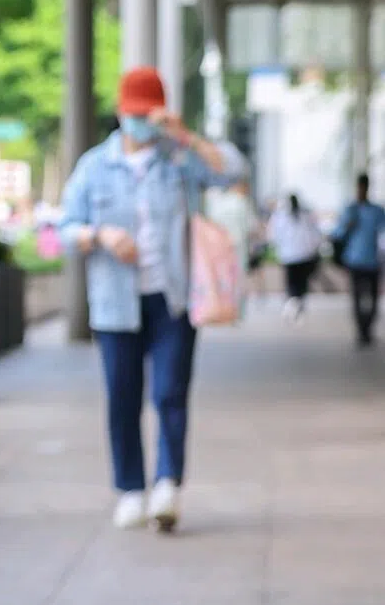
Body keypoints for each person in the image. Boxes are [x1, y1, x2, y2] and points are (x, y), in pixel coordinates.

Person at [59, 67, 246, 533]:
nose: (141, 121)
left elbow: (234, 172)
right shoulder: (94, 166)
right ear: (121, 112)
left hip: (173, 299)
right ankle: (130, 489)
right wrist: (100, 235)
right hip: (114, 305)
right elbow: (61, 231)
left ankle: (168, 485)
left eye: (150, 114)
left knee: (170, 394)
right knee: (123, 398)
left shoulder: (179, 160)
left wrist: (184, 135)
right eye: (135, 113)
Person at [331, 172, 385, 346]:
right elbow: (337, 234)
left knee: (373, 299)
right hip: (354, 261)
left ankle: (368, 329)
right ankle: (361, 331)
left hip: (373, 261)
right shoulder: (350, 210)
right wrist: (347, 226)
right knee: (357, 298)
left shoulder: (377, 211)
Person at [205, 179, 260, 319]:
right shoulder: (242, 202)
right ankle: (236, 312)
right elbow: (252, 227)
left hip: (219, 247)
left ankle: (221, 309)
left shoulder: (218, 202)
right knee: (238, 280)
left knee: (222, 279)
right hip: (238, 246)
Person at [268, 193, 323, 322]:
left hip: (290, 256)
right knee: (300, 284)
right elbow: (315, 236)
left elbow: (274, 237)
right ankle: (296, 306)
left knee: (292, 284)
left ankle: (293, 305)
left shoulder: (281, 217)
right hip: (303, 255)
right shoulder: (303, 216)